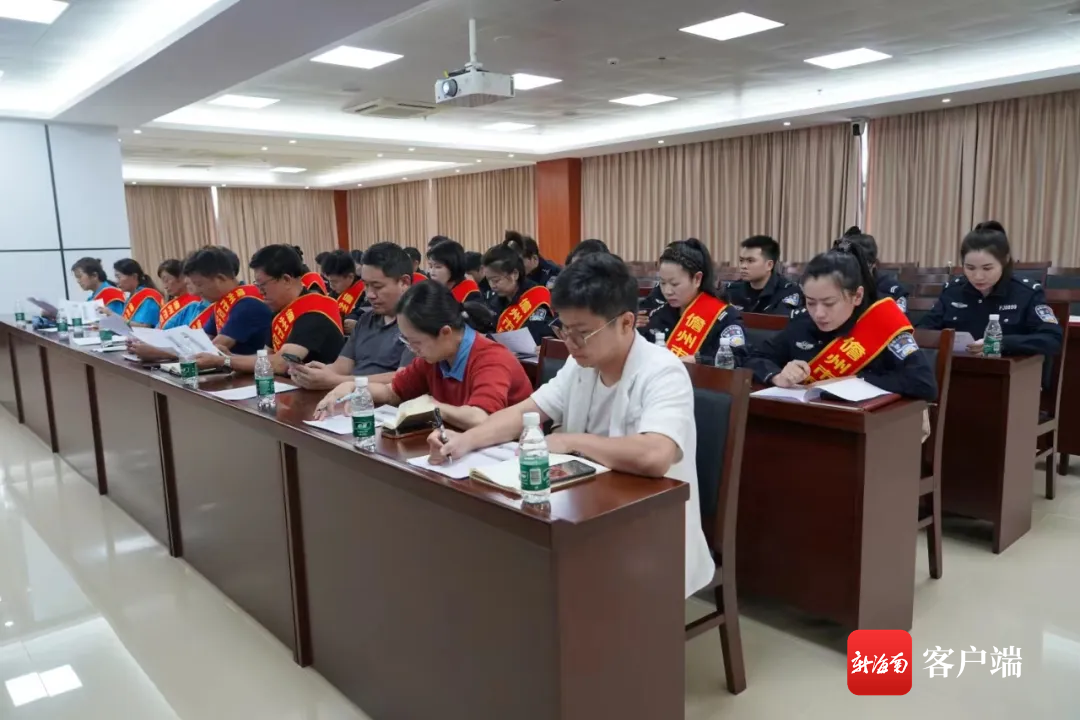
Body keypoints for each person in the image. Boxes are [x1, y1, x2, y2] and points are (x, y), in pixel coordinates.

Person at [426, 253, 714, 599]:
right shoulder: (581, 365)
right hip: (586, 514)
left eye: (583, 333)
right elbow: (527, 412)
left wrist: (569, 441)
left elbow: (655, 454)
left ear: (626, 323)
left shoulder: (663, 371)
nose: (571, 343)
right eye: (564, 330)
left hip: (650, 529)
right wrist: (464, 441)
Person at [313, 282, 532, 428]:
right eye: (406, 340)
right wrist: (354, 387)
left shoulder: (490, 359)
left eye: (415, 342)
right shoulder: (433, 357)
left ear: (445, 332)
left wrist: (433, 406)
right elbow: (393, 392)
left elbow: (480, 418)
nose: (411, 349)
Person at [747, 241, 937, 400]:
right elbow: (754, 358)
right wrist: (777, 375)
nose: (819, 313)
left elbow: (923, 384)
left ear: (857, 296)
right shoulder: (802, 321)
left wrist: (856, 380)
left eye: (829, 303)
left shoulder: (882, 324)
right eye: (811, 302)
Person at [917, 221, 1062, 356]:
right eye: (970, 268)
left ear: (1005, 261)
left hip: (1007, 370)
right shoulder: (953, 291)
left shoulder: (1027, 293)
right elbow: (922, 331)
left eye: (987, 268)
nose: (978, 276)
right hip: (955, 367)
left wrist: (1003, 343)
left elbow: (1052, 339)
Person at [195, 245, 343, 374]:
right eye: (257, 285)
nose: (260, 292)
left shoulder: (314, 310)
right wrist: (230, 357)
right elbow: (266, 357)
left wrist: (224, 361)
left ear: (286, 280)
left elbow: (280, 363)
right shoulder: (280, 311)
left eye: (263, 285)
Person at [289, 242, 415, 390]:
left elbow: (404, 377)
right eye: (366, 285)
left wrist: (337, 381)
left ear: (404, 283)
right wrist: (312, 373)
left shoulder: (418, 324)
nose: (369, 295)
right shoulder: (366, 320)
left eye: (377, 286)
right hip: (351, 396)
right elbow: (341, 367)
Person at [645, 238, 747, 365]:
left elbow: (738, 358)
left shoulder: (724, 316)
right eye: (663, 283)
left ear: (697, 279)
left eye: (674, 284)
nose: (667, 291)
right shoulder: (659, 312)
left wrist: (697, 360)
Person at [185, 246, 271, 354]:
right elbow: (202, 340)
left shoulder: (248, 304)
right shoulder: (223, 302)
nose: (197, 292)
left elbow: (215, 348)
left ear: (220, 279)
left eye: (199, 284)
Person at [482, 243, 555, 344]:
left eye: (496, 280)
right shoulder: (493, 300)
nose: (492, 285)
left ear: (515, 274)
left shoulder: (536, 296)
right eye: (488, 280)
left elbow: (540, 334)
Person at [723, 235, 803, 316]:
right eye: (741, 260)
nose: (743, 266)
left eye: (750, 261)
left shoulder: (788, 293)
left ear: (769, 265)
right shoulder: (731, 291)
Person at [840, 226, 908, 313]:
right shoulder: (836, 285)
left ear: (873, 264)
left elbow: (898, 320)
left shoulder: (891, 291)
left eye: (860, 264)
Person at [320, 249, 367, 331]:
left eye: (335, 282)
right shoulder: (334, 294)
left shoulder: (366, 292)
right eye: (329, 281)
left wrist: (359, 325)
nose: (331, 286)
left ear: (350, 277)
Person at [107, 259, 163, 327]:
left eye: (119, 277)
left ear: (134, 276)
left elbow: (146, 327)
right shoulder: (130, 298)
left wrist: (113, 316)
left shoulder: (149, 297)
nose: (117, 282)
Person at [156, 259, 208, 330]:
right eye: (163, 282)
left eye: (167, 280)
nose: (165, 286)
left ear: (181, 277)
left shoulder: (194, 303)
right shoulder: (170, 304)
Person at [427, 240, 483, 304]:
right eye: (430, 266)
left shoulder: (470, 292)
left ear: (453, 266)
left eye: (438, 267)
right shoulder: (431, 289)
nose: (431, 272)